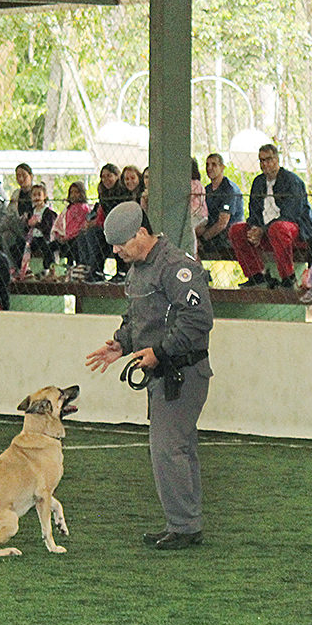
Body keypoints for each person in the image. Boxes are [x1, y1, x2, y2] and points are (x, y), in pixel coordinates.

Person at [85, 202, 213, 550]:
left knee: (168, 450)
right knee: (177, 449)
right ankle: (185, 523)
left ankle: (184, 527)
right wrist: (122, 343)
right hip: (167, 372)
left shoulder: (176, 267)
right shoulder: (139, 268)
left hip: (183, 372)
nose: (115, 251)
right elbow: (137, 316)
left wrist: (160, 351)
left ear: (142, 233)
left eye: (120, 243)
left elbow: (198, 319)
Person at [228, 143, 312, 289]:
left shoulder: (291, 181)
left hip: (294, 229)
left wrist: (262, 229)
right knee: (236, 230)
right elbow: (254, 211)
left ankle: (288, 277)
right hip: (265, 230)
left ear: (277, 160)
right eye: (261, 160)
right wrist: (254, 229)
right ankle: (256, 275)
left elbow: (291, 214)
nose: (265, 164)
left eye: (268, 159)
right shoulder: (258, 182)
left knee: (278, 228)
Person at [195, 152, 243, 256]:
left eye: (214, 164)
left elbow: (222, 223)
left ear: (222, 167)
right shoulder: (207, 189)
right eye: (207, 165)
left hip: (226, 235)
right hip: (211, 232)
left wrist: (202, 239)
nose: (209, 168)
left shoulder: (229, 189)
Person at [13, 182, 57, 279]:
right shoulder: (31, 211)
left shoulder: (48, 212)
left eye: (39, 195)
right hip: (32, 237)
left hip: (43, 237)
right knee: (18, 244)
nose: (36, 197)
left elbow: (48, 228)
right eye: (34, 195)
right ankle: (21, 268)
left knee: (46, 247)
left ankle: (48, 269)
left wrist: (37, 224)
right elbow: (27, 227)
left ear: (44, 196)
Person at [50, 180, 91, 277]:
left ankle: (75, 269)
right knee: (50, 247)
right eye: (72, 192)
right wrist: (59, 235)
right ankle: (52, 270)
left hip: (74, 237)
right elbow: (62, 223)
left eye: (77, 192)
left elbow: (79, 226)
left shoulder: (83, 208)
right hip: (64, 237)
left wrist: (67, 237)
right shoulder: (68, 208)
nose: (74, 195)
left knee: (73, 246)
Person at [0, 162, 35, 257]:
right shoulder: (16, 194)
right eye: (18, 176)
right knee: (6, 236)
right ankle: (12, 266)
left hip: (31, 226)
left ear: (31, 176)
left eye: (24, 175)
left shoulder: (37, 192)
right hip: (17, 226)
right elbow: (9, 212)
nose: (21, 179)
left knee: (8, 223)